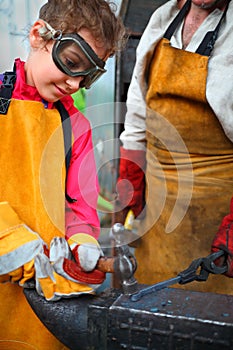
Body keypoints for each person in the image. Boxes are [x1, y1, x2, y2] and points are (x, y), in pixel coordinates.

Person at [0, 0, 126, 349]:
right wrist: (15, 246)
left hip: (43, 304)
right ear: (39, 35)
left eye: (87, 75)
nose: (74, 83)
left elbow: (80, 210)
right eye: (71, 63)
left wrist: (83, 243)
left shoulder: (76, 128)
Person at [116, 0, 233, 295]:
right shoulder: (164, 18)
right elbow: (138, 106)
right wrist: (130, 173)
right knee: (148, 300)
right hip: (158, 208)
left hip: (213, 210)